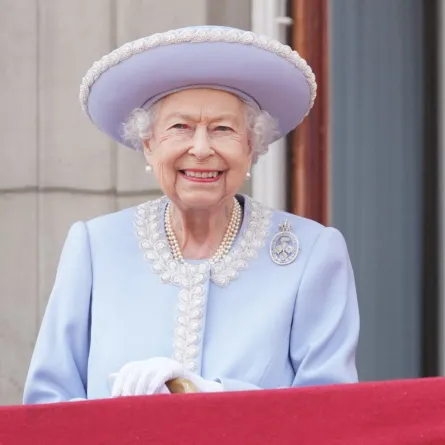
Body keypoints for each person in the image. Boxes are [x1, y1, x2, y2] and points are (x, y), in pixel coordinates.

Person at [23, 25, 359, 403]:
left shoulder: (311, 253)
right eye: (180, 127)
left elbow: (331, 408)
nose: (201, 149)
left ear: (252, 147)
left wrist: (213, 396)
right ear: (148, 145)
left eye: (223, 129)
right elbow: (47, 403)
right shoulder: (95, 247)